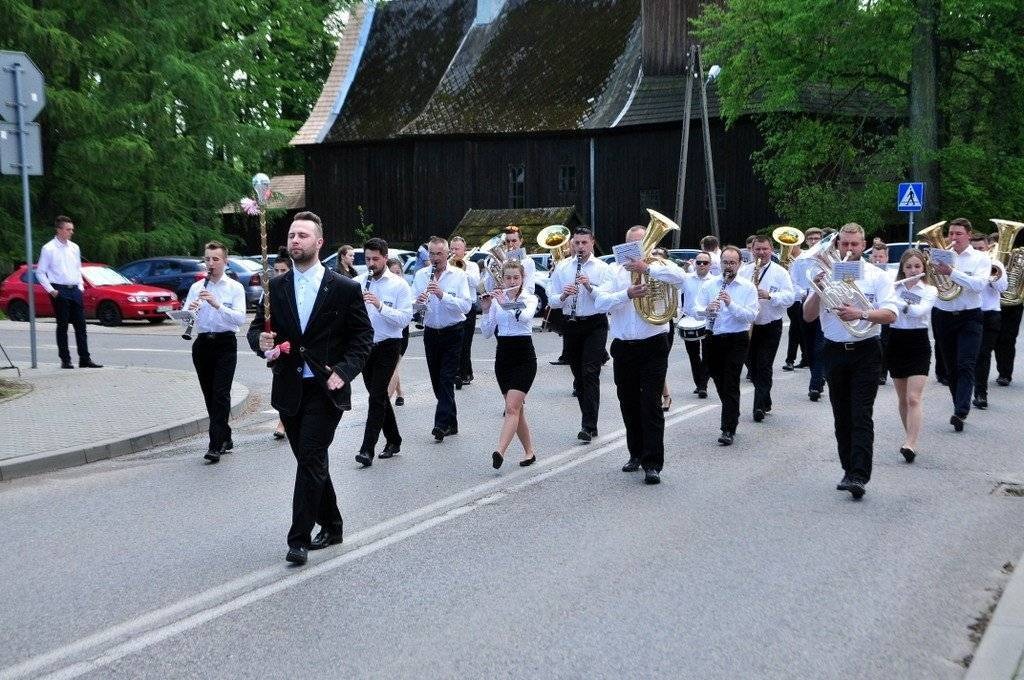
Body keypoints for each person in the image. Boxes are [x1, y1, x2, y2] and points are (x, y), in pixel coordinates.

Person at [249, 211, 372, 565]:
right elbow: (257, 330)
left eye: (303, 235)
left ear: (319, 243)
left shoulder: (345, 288)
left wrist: (345, 372)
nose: (295, 240)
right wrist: (263, 341)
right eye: (291, 235)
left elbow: (362, 337)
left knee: (312, 457)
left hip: (325, 386)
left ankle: (298, 539)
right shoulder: (276, 287)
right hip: (289, 387)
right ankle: (332, 525)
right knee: (310, 460)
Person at [803, 222, 898, 500]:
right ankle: (848, 469)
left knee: (860, 413)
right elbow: (808, 316)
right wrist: (817, 289)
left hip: (866, 349)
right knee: (841, 415)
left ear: (864, 244)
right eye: (843, 244)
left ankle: (859, 474)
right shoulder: (828, 274)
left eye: (854, 244)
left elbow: (891, 314)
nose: (848, 249)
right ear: (837, 245)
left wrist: (860, 313)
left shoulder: (876, 275)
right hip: (833, 350)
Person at [594, 224, 687, 485]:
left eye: (643, 244)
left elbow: (683, 280)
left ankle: (652, 463)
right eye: (633, 245)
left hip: (653, 343)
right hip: (624, 346)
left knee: (651, 405)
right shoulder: (614, 271)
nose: (638, 250)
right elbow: (600, 302)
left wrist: (648, 269)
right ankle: (635, 453)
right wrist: (626, 293)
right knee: (628, 403)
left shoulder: (660, 266)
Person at [184, 241, 247, 462]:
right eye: (207, 259)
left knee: (221, 394)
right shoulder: (196, 287)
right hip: (202, 343)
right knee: (209, 394)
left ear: (225, 262)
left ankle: (215, 444)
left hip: (225, 343)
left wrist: (218, 304)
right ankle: (225, 435)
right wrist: (190, 311)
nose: (210, 264)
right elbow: (185, 316)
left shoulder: (234, 287)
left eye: (215, 259)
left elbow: (240, 318)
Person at [546, 227, 610, 442]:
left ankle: (588, 425)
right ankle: (588, 418)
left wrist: (589, 286)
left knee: (590, 372)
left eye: (584, 243)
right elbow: (552, 300)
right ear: (572, 243)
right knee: (579, 376)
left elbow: (607, 300)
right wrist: (564, 294)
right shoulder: (563, 267)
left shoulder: (602, 268)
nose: (580, 247)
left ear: (592, 243)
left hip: (595, 324)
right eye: (577, 243)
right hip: (571, 325)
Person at [354, 238, 413, 467]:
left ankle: (367, 449)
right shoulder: (359, 282)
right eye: (367, 259)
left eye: (375, 259)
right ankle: (394, 439)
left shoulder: (398, 285)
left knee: (376, 396)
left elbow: (405, 318)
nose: (371, 263)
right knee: (378, 397)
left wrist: (380, 306)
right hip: (366, 346)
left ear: (385, 258)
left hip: (389, 344)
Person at [929, 218, 990, 432]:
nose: (953, 238)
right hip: (943, 315)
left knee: (966, 363)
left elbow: (979, 285)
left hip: (969, 316)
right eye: (951, 234)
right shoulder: (941, 255)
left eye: (958, 234)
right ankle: (959, 405)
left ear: (969, 235)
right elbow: (929, 284)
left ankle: (961, 411)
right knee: (950, 367)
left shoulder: (981, 258)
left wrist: (951, 273)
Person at [696, 246, 758, 446]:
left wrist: (731, 304)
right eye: (725, 262)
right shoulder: (710, 285)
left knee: (731, 381)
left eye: (732, 263)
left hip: (736, 339)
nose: (728, 266)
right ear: (720, 263)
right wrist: (707, 309)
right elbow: (695, 309)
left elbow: (751, 316)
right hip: (713, 337)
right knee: (717, 377)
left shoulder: (747, 287)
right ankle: (733, 409)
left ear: (739, 264)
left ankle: (727, 428)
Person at [413, 236, 473, 442]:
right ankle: (452, 422)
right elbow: (412, 304)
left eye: (439, 254)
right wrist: (418, 302)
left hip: (453, 331)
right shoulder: (421, 275)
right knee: (437, 381)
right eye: (432, 254)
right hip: (430, 332)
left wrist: (442, 295)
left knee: (446, 379)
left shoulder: (458, 275)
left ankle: (440, 424)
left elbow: (466, 306)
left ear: (447, 254)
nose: (435, 258)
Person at [481, 260, 539, 469]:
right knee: (517, 409)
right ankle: (529, 451)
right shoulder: (497, 300)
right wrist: (487, 309)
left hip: (524, 357)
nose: (512, 281)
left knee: (511, 408)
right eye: (508, 278)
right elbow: (487, 333)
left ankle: (500, 451)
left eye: (516, 277)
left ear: (522, 278)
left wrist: (505, 300)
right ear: (502, 279)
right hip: (503, 357)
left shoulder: (529, 298)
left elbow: (524, 318)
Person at [885, 249, 937, 463]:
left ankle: (911, 443)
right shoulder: (893, 286)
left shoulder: (930, 290)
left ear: (923, 268)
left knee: (914, 397)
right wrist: (890, 293)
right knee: (902, 398)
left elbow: (919, 311)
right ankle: (910, 438)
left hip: (918, 342)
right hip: (896, 340)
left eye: (917, 266)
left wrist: (894, 300)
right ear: (902, 269)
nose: (913, 270)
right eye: (908, 267)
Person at [34, 215, 102, 369]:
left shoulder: (74, 247)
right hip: (59, 290)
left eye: (72, 229)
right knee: (63, 325)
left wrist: (81, 287)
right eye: (68, 229)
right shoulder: (48, 248)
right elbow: (40, 272)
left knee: (81, 326)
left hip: (74, 289)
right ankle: (65, 360)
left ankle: (84, 359)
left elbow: (78, 269)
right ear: (59, 230)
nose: (71, 232)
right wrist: (52, 291)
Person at [741, 235, 795, 422]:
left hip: (770, 325)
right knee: (752, 366)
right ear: (752, 250)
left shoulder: (780, 272)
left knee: (764, 365)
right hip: (749, 325)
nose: (762, 253)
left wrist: (770, 295)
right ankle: (765, 398)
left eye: (765, 249)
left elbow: (790, 297)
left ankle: (758, 407)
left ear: (771, 250)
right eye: (758, 249)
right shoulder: (745, 271)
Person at [972, 234, 1007, 410]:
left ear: (988, 248)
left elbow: (1003, 288)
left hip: (990, 314)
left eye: (981, 248)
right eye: (975, 248)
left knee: (983, 355)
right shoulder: (967, 264)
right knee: (966, 357)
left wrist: (991, 276)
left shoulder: (996, 264)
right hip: (970, 313)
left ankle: (980, 394)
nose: (978, 251)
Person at [783, 227, 822, 372]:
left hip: (825, 302)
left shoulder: (829, 257)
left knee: (819, 338)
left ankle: (816, 372)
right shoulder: (801, 260)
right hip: (804, 300)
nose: (813, 241)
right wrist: (804, 292)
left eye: (816, 238)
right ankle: (801, 361)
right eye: (810, 239)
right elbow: (794, 282)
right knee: (801, 333)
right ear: (806, 241)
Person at [679, 251, 713, 399]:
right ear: (694, 264)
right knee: (693, 355)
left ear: (710, 265)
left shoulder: (715, 281)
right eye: (698, 262)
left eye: (705, 262)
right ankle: (699, 383)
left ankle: (702, 385)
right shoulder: (686, 279)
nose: (701, 265)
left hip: (707, 320)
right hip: (689, 320)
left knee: (707, 354)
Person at [450, 236, 481, 389]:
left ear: (464, 250)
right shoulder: (447, 265)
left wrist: (462, 270)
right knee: (455, 341)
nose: (454, 252)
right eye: (452, 248)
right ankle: (455, 372)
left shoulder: (472, 265)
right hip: (454, 306)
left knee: (466, 341)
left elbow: (476, 283)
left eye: (457, 249)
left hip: (469, 306)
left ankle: (465, 373)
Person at [272, 246, 291, 440]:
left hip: (293, 346)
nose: (278, 274)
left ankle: (283, 422)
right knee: (281, 386)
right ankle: (283, 419)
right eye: (275, 270)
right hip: (277, 347)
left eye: (282, 270)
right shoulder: (271, 290)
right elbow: (260, 324)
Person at [482, 225, 536, 295]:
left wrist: (508, 290)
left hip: (520, 301)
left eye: (514, 241)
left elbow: (530, 288)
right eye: (507, 241)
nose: (510, 244)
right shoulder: (494, 260)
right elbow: (488, 287)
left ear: (521, 241)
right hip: (499, 301)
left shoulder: (527, 261)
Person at [386, 257, 409, 407]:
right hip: (384, 333)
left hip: (400, 333)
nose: (396, 276)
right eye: (392, 273)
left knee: (392, 366)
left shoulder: (404, 287)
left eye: (399, 272)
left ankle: (384, 402)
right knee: (392, 365)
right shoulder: (383, 288)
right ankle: (400, 393)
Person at [871, 243, 893, 384]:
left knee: (885, 343)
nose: (878, 260)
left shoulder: (892, 273)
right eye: (875, 256)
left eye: (881, 256)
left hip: (883, 312)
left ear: (886, 257)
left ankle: (882, 373)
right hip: (870, 312)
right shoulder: (867, 272)